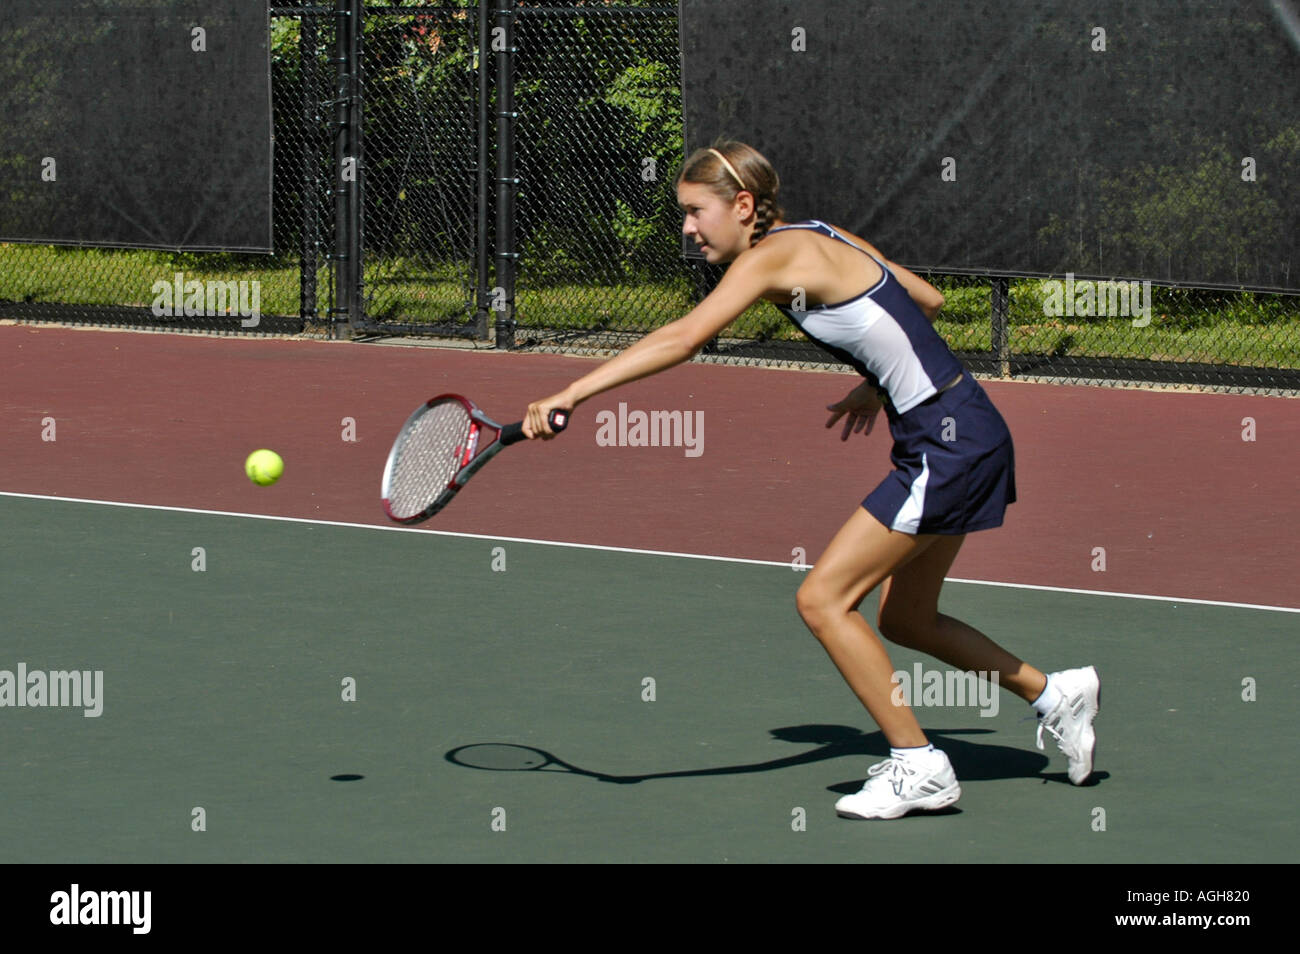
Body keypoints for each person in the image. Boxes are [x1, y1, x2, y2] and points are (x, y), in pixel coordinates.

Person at [523, 140, 1099, 819]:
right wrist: (876, 379)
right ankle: (1054, 694)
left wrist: (573, 391)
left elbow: (684, 337)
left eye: (695, 212)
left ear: (742, 206)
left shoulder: (773, 258)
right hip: (961, 428)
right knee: (907, 620)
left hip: (948, 446)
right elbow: (926, 299)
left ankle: (921, 767)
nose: (686, 228)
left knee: (823, 600)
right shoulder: (817, 233)